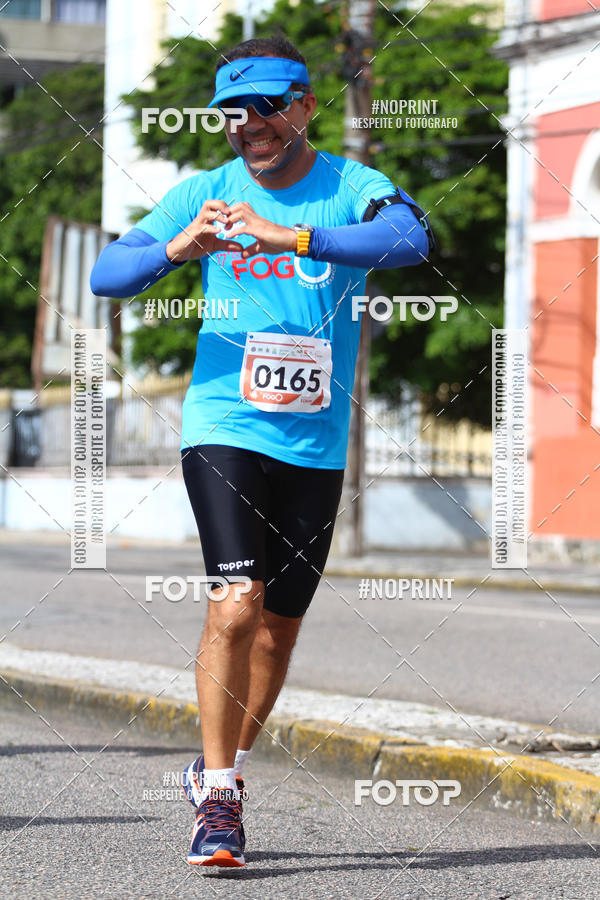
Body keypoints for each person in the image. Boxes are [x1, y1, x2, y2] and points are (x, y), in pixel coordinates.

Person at [90, 34, 433, 869]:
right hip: (224, 425)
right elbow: (108, 272)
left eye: (271, 107)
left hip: (315, 441)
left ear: (306, 106)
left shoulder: (352, 186)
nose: (253, 126)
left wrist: (293, 239)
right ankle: (219, 802)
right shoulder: (205, 193)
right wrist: (179, 250)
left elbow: (411, 242)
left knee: (279, 630)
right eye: (236, 114)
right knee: (235, 603)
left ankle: (221, 768)